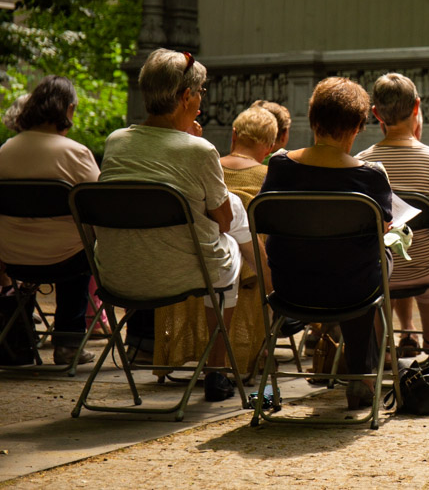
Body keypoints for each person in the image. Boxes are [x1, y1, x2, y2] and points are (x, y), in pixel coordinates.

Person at [97, 48, 251, 401]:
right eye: (199, 94)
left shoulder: (116, 142)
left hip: (117, 274)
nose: (200, 103)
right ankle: (217, 369)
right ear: (185, 97)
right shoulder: (199, 151)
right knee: (236, 230)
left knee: (232, 225)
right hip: (186, 273)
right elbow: (223, 222)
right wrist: (195, 143)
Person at [258, 77, 393, 410]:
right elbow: (384, 227)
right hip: (353, 290)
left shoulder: (280, 166)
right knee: (377, 256)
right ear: (359, 126)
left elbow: (263, 221)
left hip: (291, 289)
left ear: (312, 118)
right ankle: (360, 375)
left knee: (347, 261)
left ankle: (328, 346)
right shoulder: (372, 176)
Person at [155, 105, 278, 376]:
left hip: (192, 261)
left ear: (233, 135)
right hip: (252, 270)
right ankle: (260, 349)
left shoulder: (207, 167)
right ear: (269, 148)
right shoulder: (269, 177)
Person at [357, 73, 429, 356]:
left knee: (383, 264)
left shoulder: (361, 164)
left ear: (375, 113)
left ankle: (382, 349)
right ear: (416, 107)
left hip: (380, 272)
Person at [0, 77, 97, 366]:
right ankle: (68, 342)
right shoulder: (75, 153)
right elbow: (99, 207)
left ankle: (21, 332)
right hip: (68, 260)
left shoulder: (5, 151)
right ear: (68, 110)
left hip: (12, 258)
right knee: (82, 247)